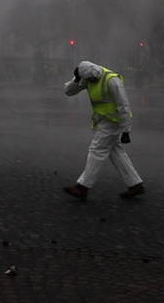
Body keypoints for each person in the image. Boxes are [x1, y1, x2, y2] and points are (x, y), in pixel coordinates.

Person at [62, 60, 145, 200]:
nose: (91, 82)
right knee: (115, 152)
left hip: (115, 121)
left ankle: (82, 187)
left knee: (96, 149)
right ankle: (135, 184)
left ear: (96, 72)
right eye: (88, 80)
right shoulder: (87, 77)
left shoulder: (112, 80)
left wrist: (126, 130)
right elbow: (68, 92)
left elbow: (124, 106)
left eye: (93, 79)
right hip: (103, 120)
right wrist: (76, 80)